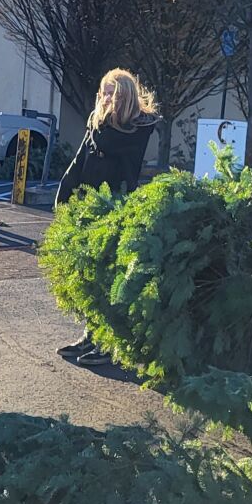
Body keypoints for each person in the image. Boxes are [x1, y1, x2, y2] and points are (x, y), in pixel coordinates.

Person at [55, 68, 159, 368]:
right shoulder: (97, 123)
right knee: (88, 277)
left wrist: (100, 120)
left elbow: (112, 146)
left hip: (115, 210)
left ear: (125, 96)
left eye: (111, 92)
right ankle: (91, 334)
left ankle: (108, 343)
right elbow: (79, 160)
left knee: (108, 280)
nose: (104, 97)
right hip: (87, 206)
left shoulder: (137, 128)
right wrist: (64, 196)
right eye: (104, 91)